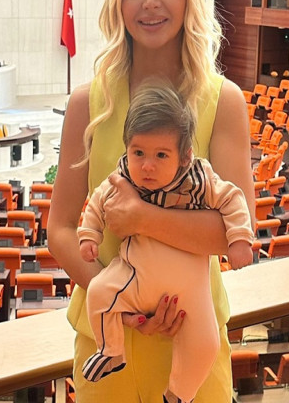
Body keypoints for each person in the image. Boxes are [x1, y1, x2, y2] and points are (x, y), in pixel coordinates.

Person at [47, 0, 255, 402]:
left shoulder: (223, 101)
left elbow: (235, 230)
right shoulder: (87, 104)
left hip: (192, 333)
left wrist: (141, 217)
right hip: (107, 339)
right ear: (118, 2)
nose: (151, 2)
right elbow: (59, 228)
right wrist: (119, 302)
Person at [79, 85, 254, 402]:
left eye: (161, 155)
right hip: (133, 277)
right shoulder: (123, 175)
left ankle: (179, 395)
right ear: (127, 149)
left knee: (205, 344)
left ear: (185, 156)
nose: (147, 165)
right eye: (138, 153)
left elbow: (232, 199)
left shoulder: (199, 177)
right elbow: (96, 203)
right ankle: (112, 350)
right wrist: (89, 235)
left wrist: (240, 238)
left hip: (191, 290)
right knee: (99, 294)